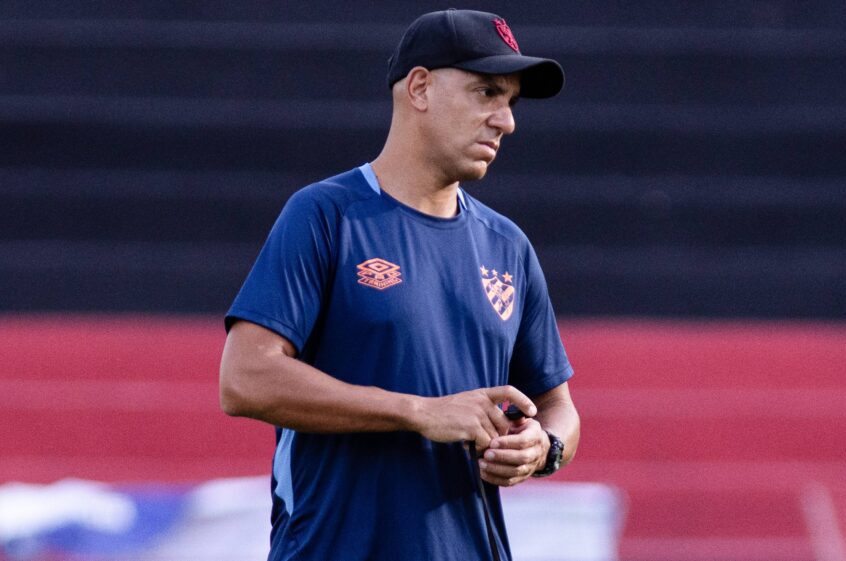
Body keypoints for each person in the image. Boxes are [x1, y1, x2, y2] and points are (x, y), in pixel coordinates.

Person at [219, 9, 579, 561]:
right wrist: (418, 411)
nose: (506, 120)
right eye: (486, 92)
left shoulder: (508, 247)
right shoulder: (326, 216)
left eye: (510, 101)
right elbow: (245, 379)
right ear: (419, 87)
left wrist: (543, 448)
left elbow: (558, 407)